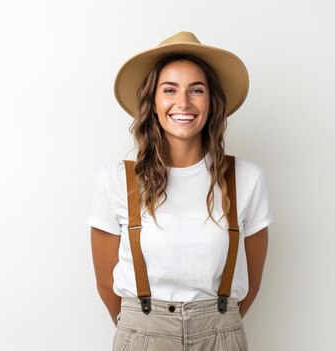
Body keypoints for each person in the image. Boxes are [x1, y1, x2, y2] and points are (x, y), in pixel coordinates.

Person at [89, 31, 272, 350]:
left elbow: (251, 283)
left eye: (196, 90)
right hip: (142, 334)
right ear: (153, 102)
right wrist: (146, 330)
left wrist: (215, 327)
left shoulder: (246, 178)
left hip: (220, 335)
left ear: (212, 101)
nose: (183, 103)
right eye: (170, 90)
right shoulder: (117, 180)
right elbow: (106, 284)